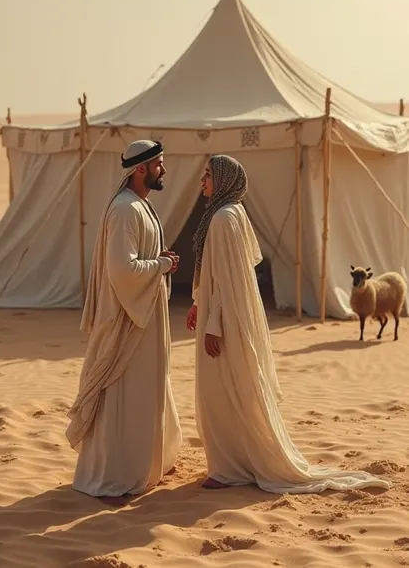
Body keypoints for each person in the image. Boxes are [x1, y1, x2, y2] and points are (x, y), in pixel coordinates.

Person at [186, 154, 391, 495]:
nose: (202, 182)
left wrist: (213, 323)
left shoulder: (224, 217)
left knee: (222, 390)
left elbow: (225, 278)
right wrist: (198, 303)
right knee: (228, 387)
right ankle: (232, 463)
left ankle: (228, 469)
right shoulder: (228, 214)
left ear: (222, 180)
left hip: (224, 320)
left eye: (207, 175)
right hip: (224, 313)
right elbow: (215, 273)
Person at [66, 140, 182, 505]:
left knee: (147, 389)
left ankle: (146, 464)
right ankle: (115, 472)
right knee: (125, 393)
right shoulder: (124, 211)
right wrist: (163, 265)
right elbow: (123, 271)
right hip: (128, 321)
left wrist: (158, 258)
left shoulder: (140, 206)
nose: (163, 170)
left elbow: (136, 259)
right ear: (140, 169)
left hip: (146, 318)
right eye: (159, 164)